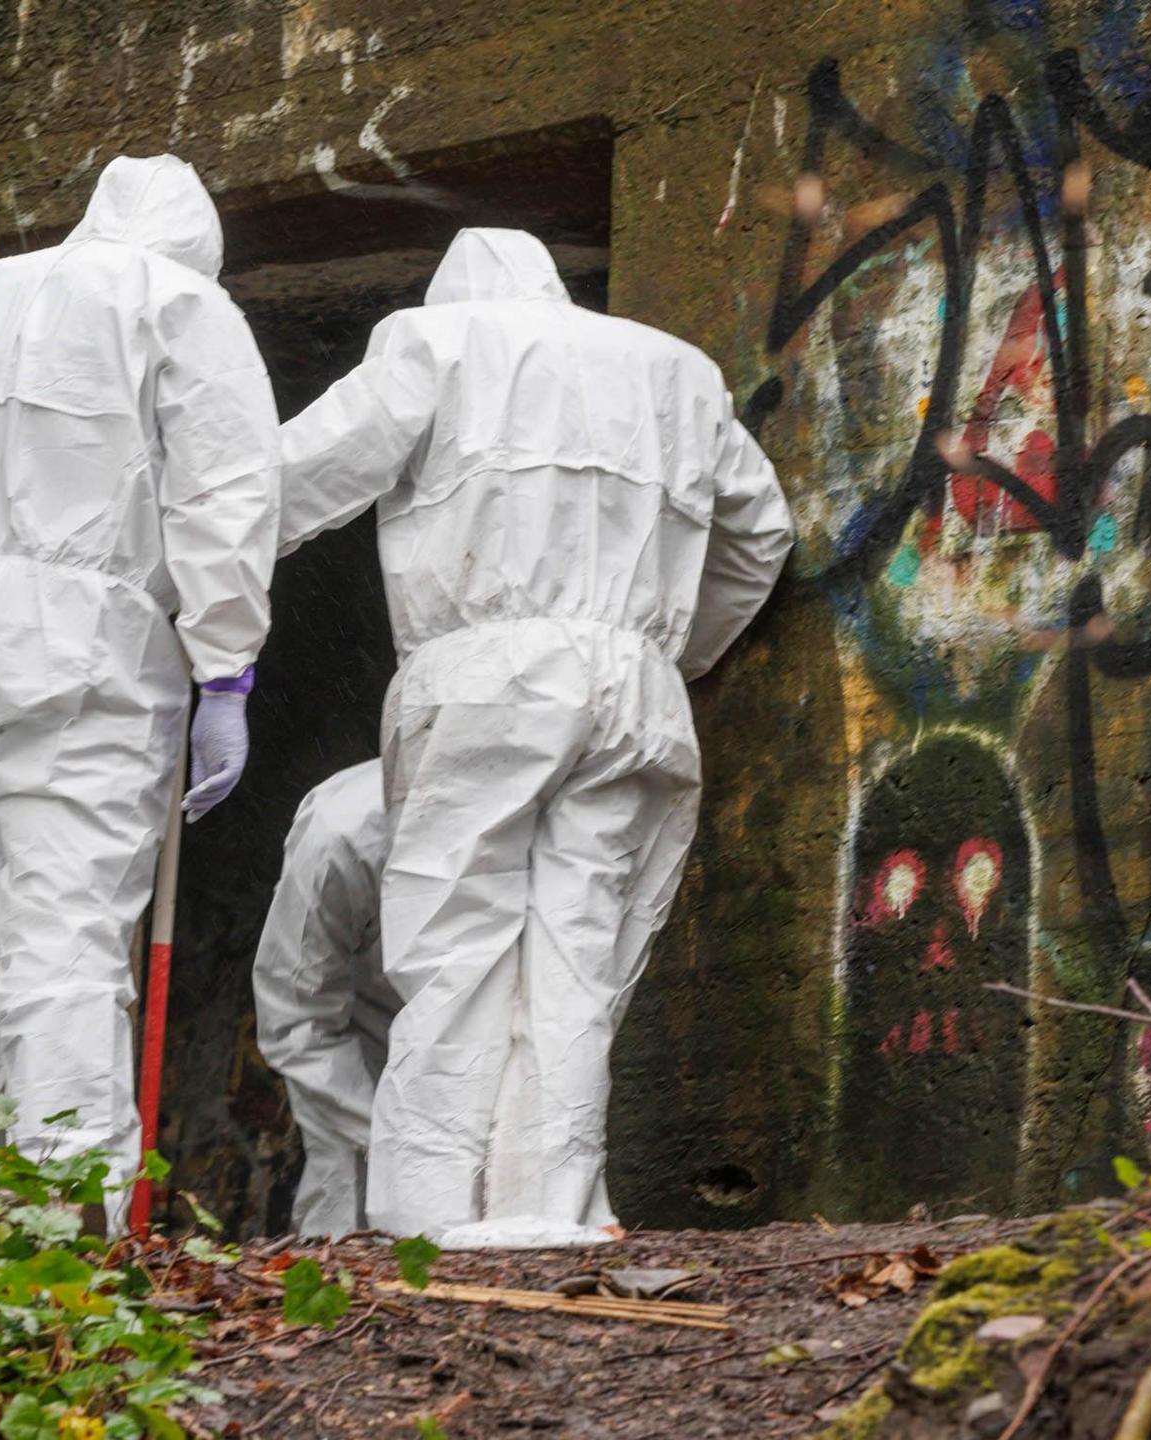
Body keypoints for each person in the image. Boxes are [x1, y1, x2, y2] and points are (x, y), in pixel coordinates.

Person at [276, 228, 792, 1247]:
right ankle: (544, 1210)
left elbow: (295, 477)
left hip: (482, 672)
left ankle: (426, 1216)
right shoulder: (678, 373)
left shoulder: (433, 342)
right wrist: (671, 654)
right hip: (632, 687)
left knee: (453, 942)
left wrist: (180, 568)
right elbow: (761, 533)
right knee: (577, 953)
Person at [0, 154, 280, 1180]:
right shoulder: (180, 304)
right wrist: (223, 667)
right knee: (65, 931)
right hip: (71, 636)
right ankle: (67, 1221)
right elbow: (223, 490)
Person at [252, 762, 402, 1237]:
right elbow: (297, 1017)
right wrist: (393, 1141)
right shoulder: (344, 832)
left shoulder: (555, 811)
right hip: (362, 1050)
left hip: (492, 1049)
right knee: (349, 1220)